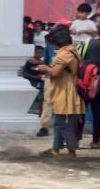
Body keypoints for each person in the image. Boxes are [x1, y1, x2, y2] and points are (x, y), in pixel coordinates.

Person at [35, 25, 84, 158]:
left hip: (65, 91)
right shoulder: (73, 50)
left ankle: (70, 150)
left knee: (63, 123)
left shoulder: (64, 54)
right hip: (70, 89)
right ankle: (57, 148)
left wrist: (45, 68)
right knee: (63, 122)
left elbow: (55, 72)